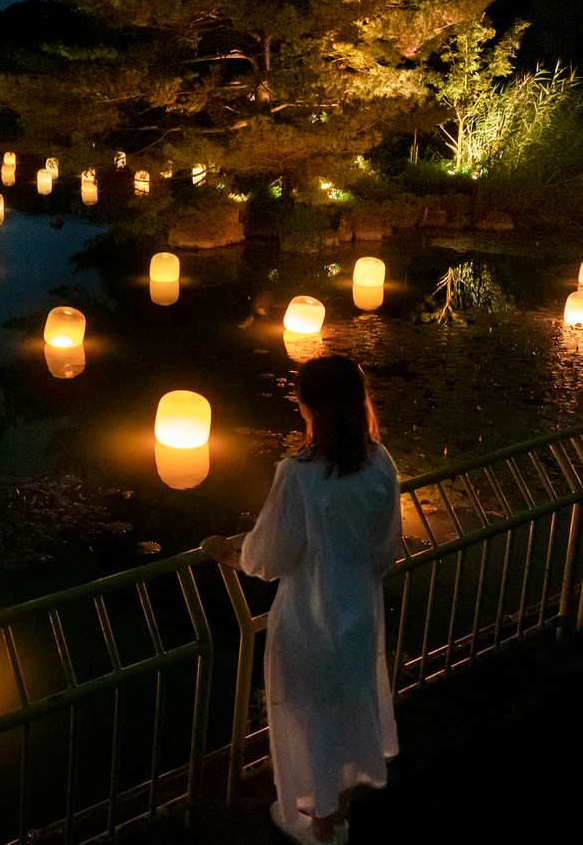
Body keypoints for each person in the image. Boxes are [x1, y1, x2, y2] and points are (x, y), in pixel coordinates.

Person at [203, 355, 401, 845]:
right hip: (358, 609)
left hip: (309, 616)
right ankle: (336, 812)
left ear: (306, 405)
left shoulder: (299, 474)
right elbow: (385, 546)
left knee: (307, 715)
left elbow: (270, 554)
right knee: (348, 707)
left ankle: (318, 822)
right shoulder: (380, 462)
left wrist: (231, 555)